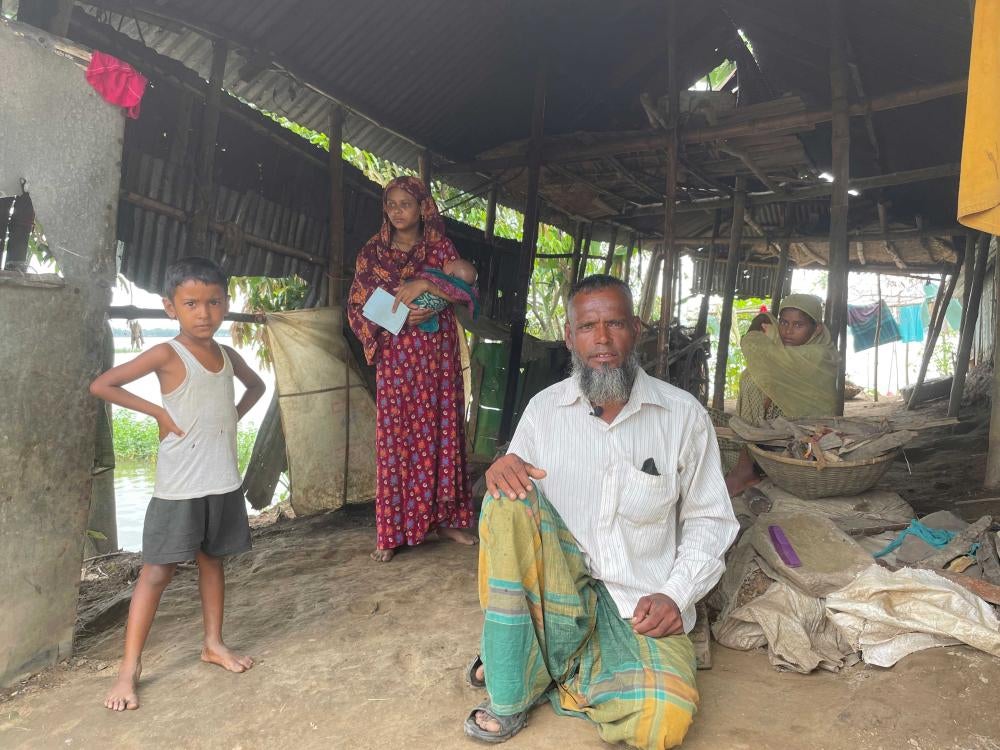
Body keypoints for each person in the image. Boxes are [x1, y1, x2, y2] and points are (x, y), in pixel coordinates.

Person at [463, 274, 739, 749]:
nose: (603, 340)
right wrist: (500, 470)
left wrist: (676, 594)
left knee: (663, 722)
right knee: (505, 500)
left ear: (636, 329)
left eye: (615, 323)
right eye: (589, 326)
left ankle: (542, 664)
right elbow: (513, 498)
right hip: (558, 593)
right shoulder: (544, 411)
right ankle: (510, 689)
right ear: (570, 337)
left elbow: (710, 520)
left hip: (640, 602)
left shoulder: (683, 416)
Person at [89, 256, 266, 711]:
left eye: (213, 302)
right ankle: (128, 669)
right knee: (156, 572)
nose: (204, 313)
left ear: (226, 304)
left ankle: (213, 644)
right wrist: (159, 414)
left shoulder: (228, 355)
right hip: (179, 484)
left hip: (221, 478)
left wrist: (232, 418)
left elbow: (256, 388)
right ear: (171, 308)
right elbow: (103, 385)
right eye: (191, 303)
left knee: (213, 560)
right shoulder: (167, 353)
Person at [347, 176, 477, 562]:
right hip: (397, 357)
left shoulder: (440, 248)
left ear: (424, 208)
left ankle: (447, 519)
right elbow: (358, 305)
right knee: (397, 438)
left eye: (406, 203)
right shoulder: (372, 253)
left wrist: (427, 284)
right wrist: (401, 314)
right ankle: (393, 530)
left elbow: (467, 290)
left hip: (437, 357)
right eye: (391, 204)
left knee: (441, 432)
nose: (398, 211)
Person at [724, 293, 838, 496]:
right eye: (784, 323)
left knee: (753, 379)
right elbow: (762, 351)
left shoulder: (819, 355)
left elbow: (755, 345)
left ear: (817, 329)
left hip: (804, 439)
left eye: (798, 325)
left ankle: (745, 466)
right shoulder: (781, 352)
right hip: (768, 434)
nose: (788, 331)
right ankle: (749, 459)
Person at [410, 256, 479, 333]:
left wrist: (429, 286)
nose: (448, 262)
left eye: (451, 263)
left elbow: (425, 275)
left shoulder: (441, 277)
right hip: (426, 313)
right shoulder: (459, 293)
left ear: (451, 275)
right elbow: (469, 298)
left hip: (415, 304)